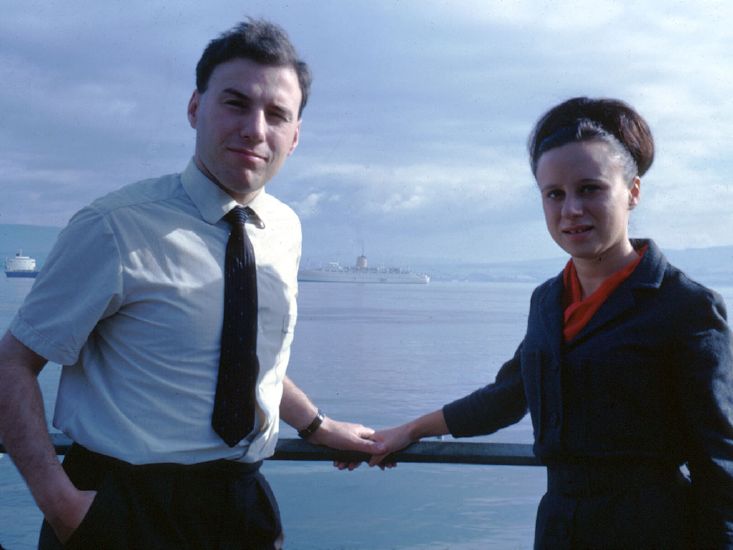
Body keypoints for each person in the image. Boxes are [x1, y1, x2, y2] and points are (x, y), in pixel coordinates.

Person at [0, 19, 384, 549]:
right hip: (121, 504)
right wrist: (64, 507)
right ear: (194, 108)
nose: (255, 128)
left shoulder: (285, 230)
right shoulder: (114, 226)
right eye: (235, 103)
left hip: (242, 503)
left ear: (294, 138)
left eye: (276, 115)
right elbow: (13, 364)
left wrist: (316, 425)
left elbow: (240, 353)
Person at [367, 97, 733, 548]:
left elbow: (720, 465)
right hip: (559, 527)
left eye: (590, 189)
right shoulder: (548, 299)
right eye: (554, 194)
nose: (571, 209)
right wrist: (409, 431)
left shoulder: (686, 307)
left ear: (633, 191)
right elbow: (509, 394)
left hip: (652, 528)